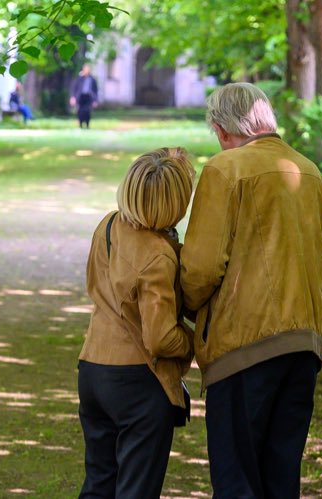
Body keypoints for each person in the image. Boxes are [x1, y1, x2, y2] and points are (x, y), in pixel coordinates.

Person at [177, 82, 322, 498]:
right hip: (304, 343)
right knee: (282, 479)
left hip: (243, 344)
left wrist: (187, 309)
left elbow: (201, 267)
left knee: (237, 479)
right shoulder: (309, 171)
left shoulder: (224, 170)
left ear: (223, 129)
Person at [78, 147, 197, 498]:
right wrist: (193, 342)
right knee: (136, 491)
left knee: (99, 484)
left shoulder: (109, 225)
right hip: (137, 382)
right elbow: (159, 338)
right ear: (175, 202)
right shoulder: (158, 255)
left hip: (92, 369)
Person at [70, 64, 99, 129]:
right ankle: (80, 125)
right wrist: (73, 97)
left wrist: (95, 100)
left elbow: (95, 90)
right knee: (80, 111)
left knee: (87, 111)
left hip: (89, 97)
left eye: (88, 69)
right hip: (80, 97)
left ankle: (87, 125)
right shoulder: (79, 78)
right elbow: (75, 88)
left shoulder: (92, 79)